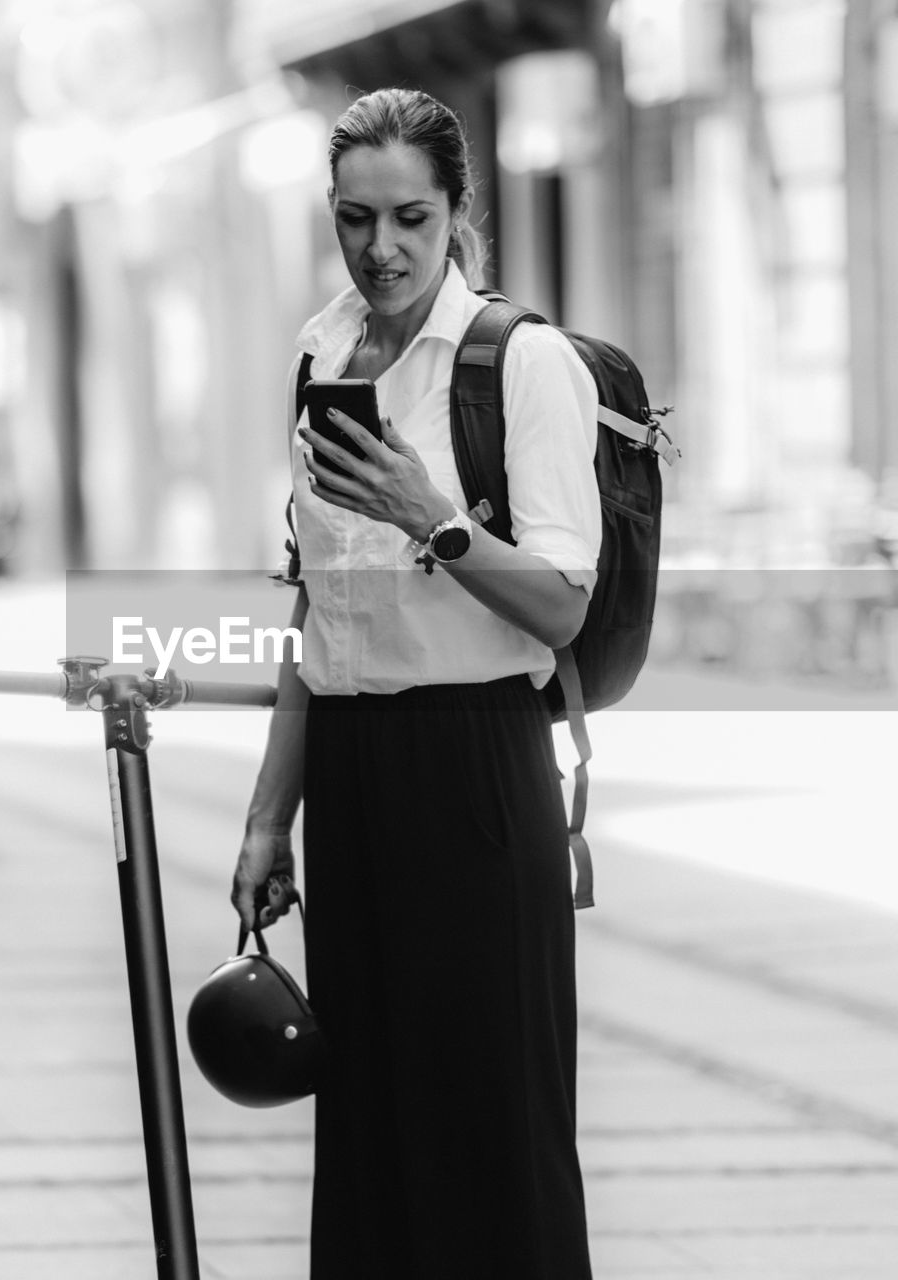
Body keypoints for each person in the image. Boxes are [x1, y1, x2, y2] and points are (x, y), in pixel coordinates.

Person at [231, 88, 600, 1278]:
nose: (379, 248)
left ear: (455, 214)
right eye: (353, 219)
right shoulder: (318, 351)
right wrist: (266, 815)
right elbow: (315, 609)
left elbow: (560, 604)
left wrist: (429, 519)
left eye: (408, 218)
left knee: (491, 1126)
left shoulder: (521, 361)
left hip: (477, 766)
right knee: (374, 1126)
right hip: (351, 774)